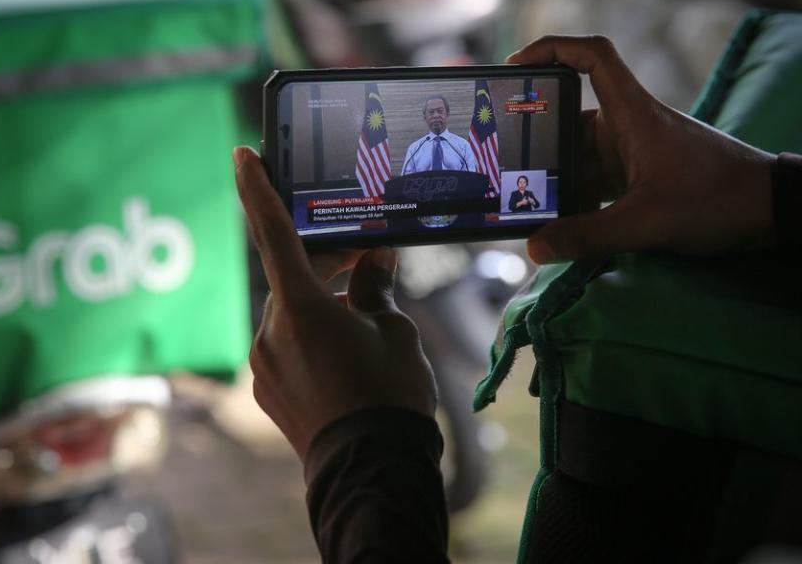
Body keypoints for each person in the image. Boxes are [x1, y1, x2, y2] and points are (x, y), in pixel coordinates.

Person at [232, 35, 802, 563]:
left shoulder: (461, 145)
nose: (433, 117)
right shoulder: (410, 154)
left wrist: (363, 452)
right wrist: (768, 194)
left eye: (436, 112)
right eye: (428, 113)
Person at [401, 96, 481, 174]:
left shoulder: (463, 146)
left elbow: (470, 178)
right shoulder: (414, 149)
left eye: (440, 111)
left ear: (447, 114)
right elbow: (405, 181)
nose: (436, 115)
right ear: (425, 117)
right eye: (431, 112)